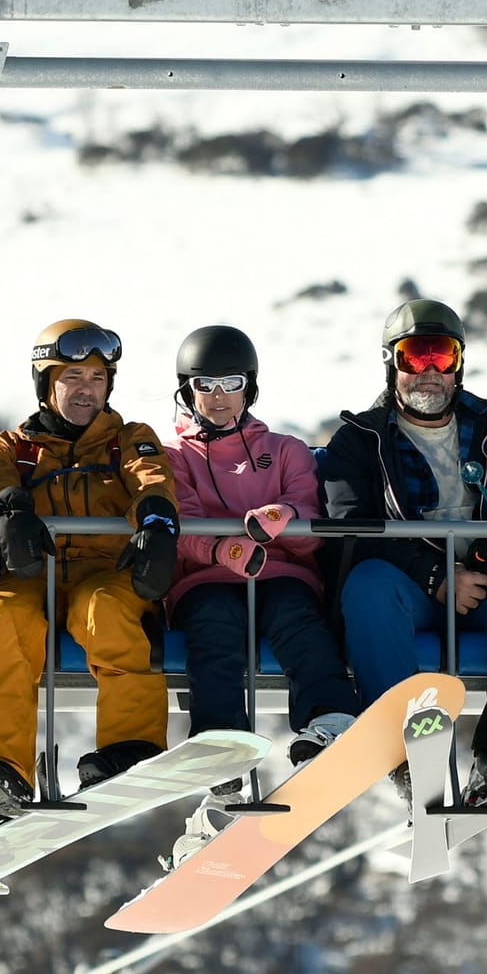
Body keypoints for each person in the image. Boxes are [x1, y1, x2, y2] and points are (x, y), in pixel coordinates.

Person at [320, 299, 487, 803]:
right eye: (415, 356)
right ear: (392, 363)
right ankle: (405, 754)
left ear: (459, 363)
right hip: (407, 591)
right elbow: (350, 531)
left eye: (442, 355)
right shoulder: (360, 441)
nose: (429, 371)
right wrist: (435, 577)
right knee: (367, 583)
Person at [0, 319, 180, 851]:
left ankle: (130, 747)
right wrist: (10, 509)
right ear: (46, 382)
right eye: (72, 377)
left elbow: (151, 478)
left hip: (106, 571)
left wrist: (156, 521)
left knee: (107, 611)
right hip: (35, 572)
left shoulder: (128, 438)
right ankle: (3, 771)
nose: (86, 390)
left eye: (97, 378)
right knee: (3, 618)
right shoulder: (15, 444)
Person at [165, 325, 362, 761]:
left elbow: (309, 519)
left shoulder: (286, 449)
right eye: (205, 385)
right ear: (188, 391)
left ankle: (329, 715)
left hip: (280, 571)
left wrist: (283, 517)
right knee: (214, 624)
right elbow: (182, 525)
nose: (219, 396)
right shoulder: (175, 456)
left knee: (295, 615)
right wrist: (223, 550)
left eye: (231, 383)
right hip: (207, 579)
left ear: (249, 387)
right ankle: (218, 742)